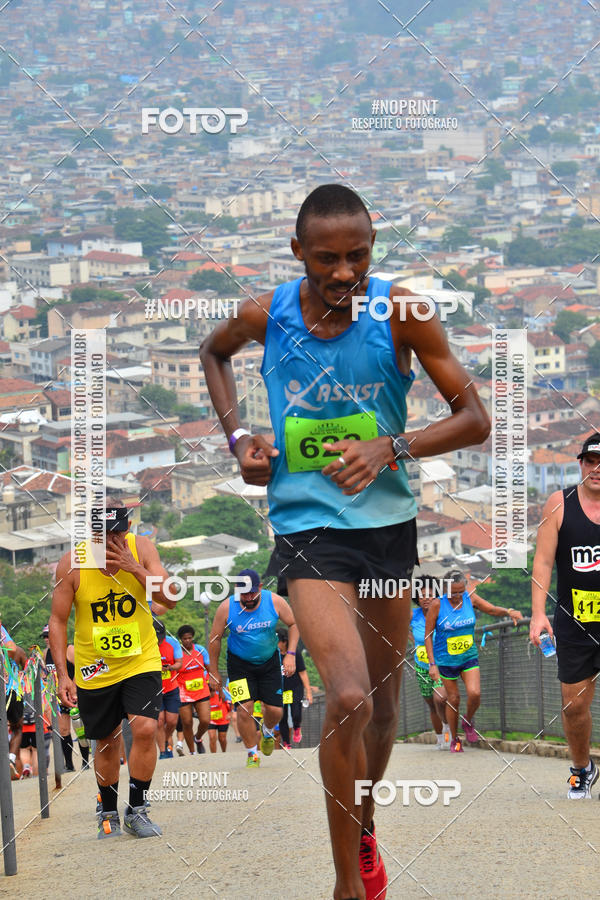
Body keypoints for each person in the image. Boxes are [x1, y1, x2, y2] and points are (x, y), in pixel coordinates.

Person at [200, 183, 491, 900]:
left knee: (387, 709)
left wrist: (390, 446)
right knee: (351, 696)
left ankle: (362, 824)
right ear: (298, 252)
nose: (342, 273)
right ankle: (346, 887)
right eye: (325, 258)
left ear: (372, 248)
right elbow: (212, 353)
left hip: (388, 532)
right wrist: (240, 438)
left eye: (357, 256)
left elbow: (475, 417)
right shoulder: (266, 314)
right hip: (307, 528)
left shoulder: (403, 312)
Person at [49, 498, 176, 838]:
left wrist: (135, 568)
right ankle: (108, 810)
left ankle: (137, 809)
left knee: (147, 728)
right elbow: (58, 621)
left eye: (115, 533)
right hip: (95, 666)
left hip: (141, 657)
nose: (108, 542)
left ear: (128, 530)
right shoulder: (72, 563)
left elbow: (170, 598)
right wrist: (64, 674)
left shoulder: (143, 548)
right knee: (106, 740)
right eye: (100, 534)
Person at [530, 433, 600, 798]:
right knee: (574, 705)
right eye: (590, 461)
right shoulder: (559, 504)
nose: (596, 469)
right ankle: (582, 768)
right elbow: (542, 562)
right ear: (581, 464)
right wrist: (538, 614)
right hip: (574, 621)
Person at [208, 568, 299, 769]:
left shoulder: (274, 601)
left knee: (275, 710)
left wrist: (290, 655)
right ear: (236, 590)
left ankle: (267, 731)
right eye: (244, 593)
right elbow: (215, 639)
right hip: (239, 665)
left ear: (259, 587)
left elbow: (294, 624)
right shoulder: (226, 608)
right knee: (244, 709)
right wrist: (213, 672)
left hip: (269, 663)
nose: (248, 598)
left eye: (252, 592)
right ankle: (252, 753)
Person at [425, 570, 523, 752]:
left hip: (468, 656)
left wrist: (508, 611)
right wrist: (432, 664)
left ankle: (467, 721)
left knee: (475, 693)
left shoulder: (470, 598)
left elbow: (491, 609)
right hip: (446, 660)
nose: (456, 596)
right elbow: (428, 635)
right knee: (453, 699)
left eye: (460, 591)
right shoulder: (438, 604)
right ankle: (455, 739)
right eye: (452, 592)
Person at [408, 576, 450, 749]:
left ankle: (448, 727)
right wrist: (412, 641)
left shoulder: (443, 613)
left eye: (430, 595)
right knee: (432, 704)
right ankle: (440, 738)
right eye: (422, 595)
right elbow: (396, 623)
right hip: (422, 666)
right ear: (417, 598)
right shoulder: (413, 615)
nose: (425, 598)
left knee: (441, 699)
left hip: (440, 664)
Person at [42, 624, 85, 770]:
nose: (47, 639)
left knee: (80, 728)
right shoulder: (46, 653)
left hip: (75, 694)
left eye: (49, 636)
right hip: (58, 696)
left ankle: (85, 761)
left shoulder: (69, 649)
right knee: (63, 731)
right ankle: (69, 764)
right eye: (45, 637)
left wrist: (74, 688)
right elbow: (47, 676)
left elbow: (81, 668)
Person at [175, 624, 211, 756]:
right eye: (185, 639)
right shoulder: (177, 653)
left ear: (193, 638)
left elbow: (209, 667)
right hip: (183, 692)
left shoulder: (201, 650)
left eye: (190, 638)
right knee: (187, 722)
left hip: (201, 690)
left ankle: (198, 738)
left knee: (206, 720)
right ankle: (192, 752)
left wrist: (212, 680)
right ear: (181, 640)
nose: (188, 641)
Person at [276, 628, 313, 748]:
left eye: (277, 641)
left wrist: (308, 692)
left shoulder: (294, 653)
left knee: (296, 713)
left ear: (284, 641)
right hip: (282, 690)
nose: (275, 643)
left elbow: (303, 672)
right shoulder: (273, 655)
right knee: (283, 716)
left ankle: (297, 727)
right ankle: (286, 742)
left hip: (295, 687)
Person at [153, 619, 182, 759]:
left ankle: (165, 738)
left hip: (171, 688)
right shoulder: (146, 643)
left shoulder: (173, 642)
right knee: (159, 720)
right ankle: (163, 751)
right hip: (155, 689)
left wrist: (169, 667)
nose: (159, 641)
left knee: (171, 721)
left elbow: (179, 663)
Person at [1, 616, 23, 779]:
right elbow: (29, 667)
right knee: (17, 728)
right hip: (12, 690)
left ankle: (7, 760)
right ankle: (11, 759)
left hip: (9, 691)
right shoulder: (18, 650)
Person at [208, 684, 232, 752]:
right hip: (211, 720)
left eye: (212, 691)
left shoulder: (221, 695)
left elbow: (232, 701)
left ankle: (223, 752)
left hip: (223, 720)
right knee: (212, 737)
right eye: (209, 691)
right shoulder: (205, 699)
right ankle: (214, 755)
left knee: (222, 739)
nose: (210, 693)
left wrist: (230, 713)